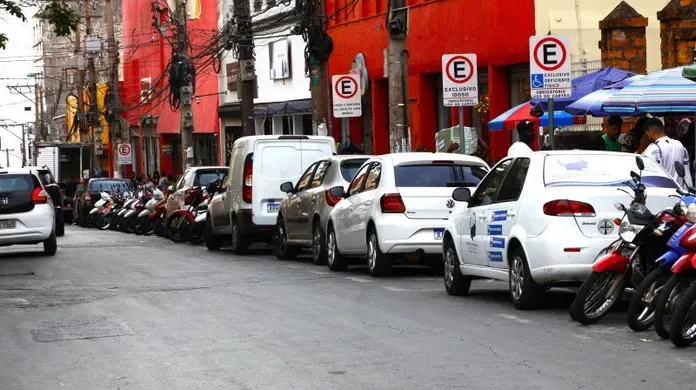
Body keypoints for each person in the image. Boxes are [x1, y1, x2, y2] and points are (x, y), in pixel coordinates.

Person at [643, 118, 692, 187]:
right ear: (663, 129)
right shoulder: (680, 145)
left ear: (651, 133)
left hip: (664, 193)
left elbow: (647, 176)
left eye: (647, 134)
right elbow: (687, 172)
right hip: (681, 192)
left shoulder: (652, 149)